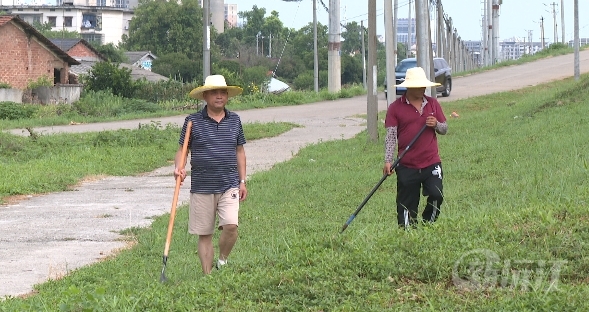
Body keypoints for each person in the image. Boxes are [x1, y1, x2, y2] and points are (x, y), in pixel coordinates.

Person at [174, 74, 247, 274]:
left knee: (231, 226)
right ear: (205, 96)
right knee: (204, 234)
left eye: (223, 92)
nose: (219, 96)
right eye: (214, 92)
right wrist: (179, 167)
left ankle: (222, 261)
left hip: (229, 183)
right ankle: (208, 277)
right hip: (202, 186)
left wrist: (242, 181)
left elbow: (240, 151)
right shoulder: (192, 121)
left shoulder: (235, 120)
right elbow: (183, 150)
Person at [382, 67, 448, 228]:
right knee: (406, 205)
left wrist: (436, 125)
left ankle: (428, 225)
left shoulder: (432, 104)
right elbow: (391, 136)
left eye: (423, 85)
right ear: (409, 87)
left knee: (436, 195)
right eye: (418, 86)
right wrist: (388, 161)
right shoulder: (395, 108)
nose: (422, 89)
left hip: (431, 162)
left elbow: (445, 128)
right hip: (407, 165)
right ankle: (407, 234)